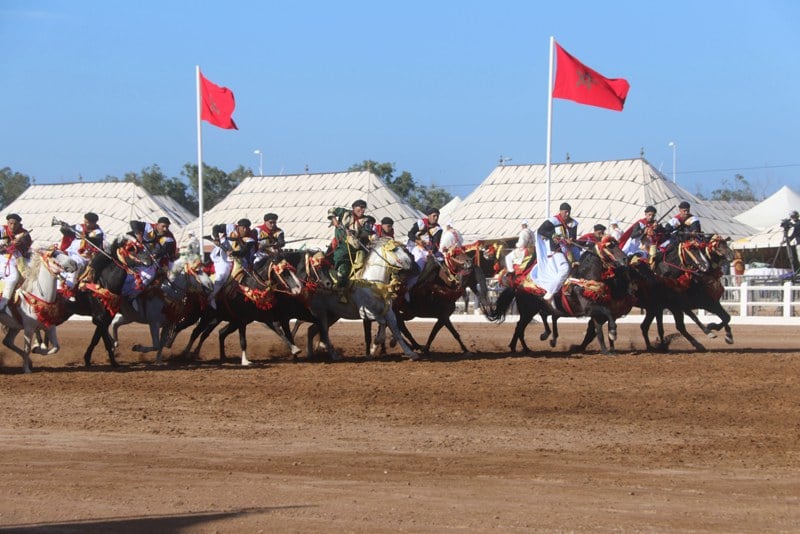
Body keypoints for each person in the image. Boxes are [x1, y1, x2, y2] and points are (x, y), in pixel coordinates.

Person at [530, 202, 579, 305]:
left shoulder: (573, 223)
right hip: (557, 250)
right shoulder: (553, 221)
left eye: (568, 212)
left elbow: (573, 236)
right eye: (565, 212)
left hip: (570, 249)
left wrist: (571, 239)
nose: (567, 214)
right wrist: (553, 235)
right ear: (560, 211)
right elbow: (541, 231)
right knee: (565, 269)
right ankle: (551, 292)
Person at [125, 216, 179, 300]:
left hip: (152, 258)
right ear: (157, 224)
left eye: (167, 227)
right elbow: (133, 222)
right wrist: (138, 234)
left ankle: (133, 294)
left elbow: (164, 250)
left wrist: (156, 254)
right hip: (136, 251)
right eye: (163, 226)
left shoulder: (169, 238)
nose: (165, 229)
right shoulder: (148, 227)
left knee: (150, 275)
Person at [208, 219, 257, 308]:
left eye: (247, 228)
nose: (245, 230)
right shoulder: (230, 227)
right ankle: (212, 297)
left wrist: (233, 253)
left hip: (239, 258)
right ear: (238, 227)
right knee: (222, 274)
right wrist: (216, 238)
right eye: (243, 228)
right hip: (223, 257)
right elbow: (216, 228)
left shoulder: (250, 238)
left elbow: (244, 252)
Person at [327, 199, 373, 290]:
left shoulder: (366, 220)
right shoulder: (344, 213)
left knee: (344, 270)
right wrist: (334, 219)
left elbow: (366, 233)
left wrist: (354, 233)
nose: (363, 210)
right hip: (338, 246)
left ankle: (341, 289)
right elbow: (331, 210)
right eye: (361, 207)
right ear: (354, 207)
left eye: (364, 208)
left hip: (352, 250)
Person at [58, 212, 104, 288]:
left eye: (87, 222)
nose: (85, 224)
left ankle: (69, 286)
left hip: (83, 256)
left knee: (75, 264)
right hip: (71, 252)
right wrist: (64, 228)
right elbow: (67, 233)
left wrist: (86, 237)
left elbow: (96, 241)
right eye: (84, 221)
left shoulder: (98, 232)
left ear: (94, 223)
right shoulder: (79, 227)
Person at [0, 213, 32, 311]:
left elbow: (26, 248)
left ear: (19, 224)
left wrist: (20, 244)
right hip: (3, 257)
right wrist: (9, 244)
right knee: (13, 276)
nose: (13, 226)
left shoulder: (24, 233)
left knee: (32, 274)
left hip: (18, 258)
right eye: (11, 223)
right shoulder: (1, 230)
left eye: (15, 224)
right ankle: (3, 304)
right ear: (7, 223)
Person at [407, 206, 443, 273]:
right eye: (434, 216)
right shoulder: (421, 223)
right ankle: (413, 279)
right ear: (429, 216)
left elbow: (436, 243)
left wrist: (432, 250)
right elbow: (410, 234)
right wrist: (417, 241)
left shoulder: (438, 229)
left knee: (441, 260)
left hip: (428, 248)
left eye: (437, 216)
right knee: (420, 262)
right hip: (416, 246)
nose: (436, 218)